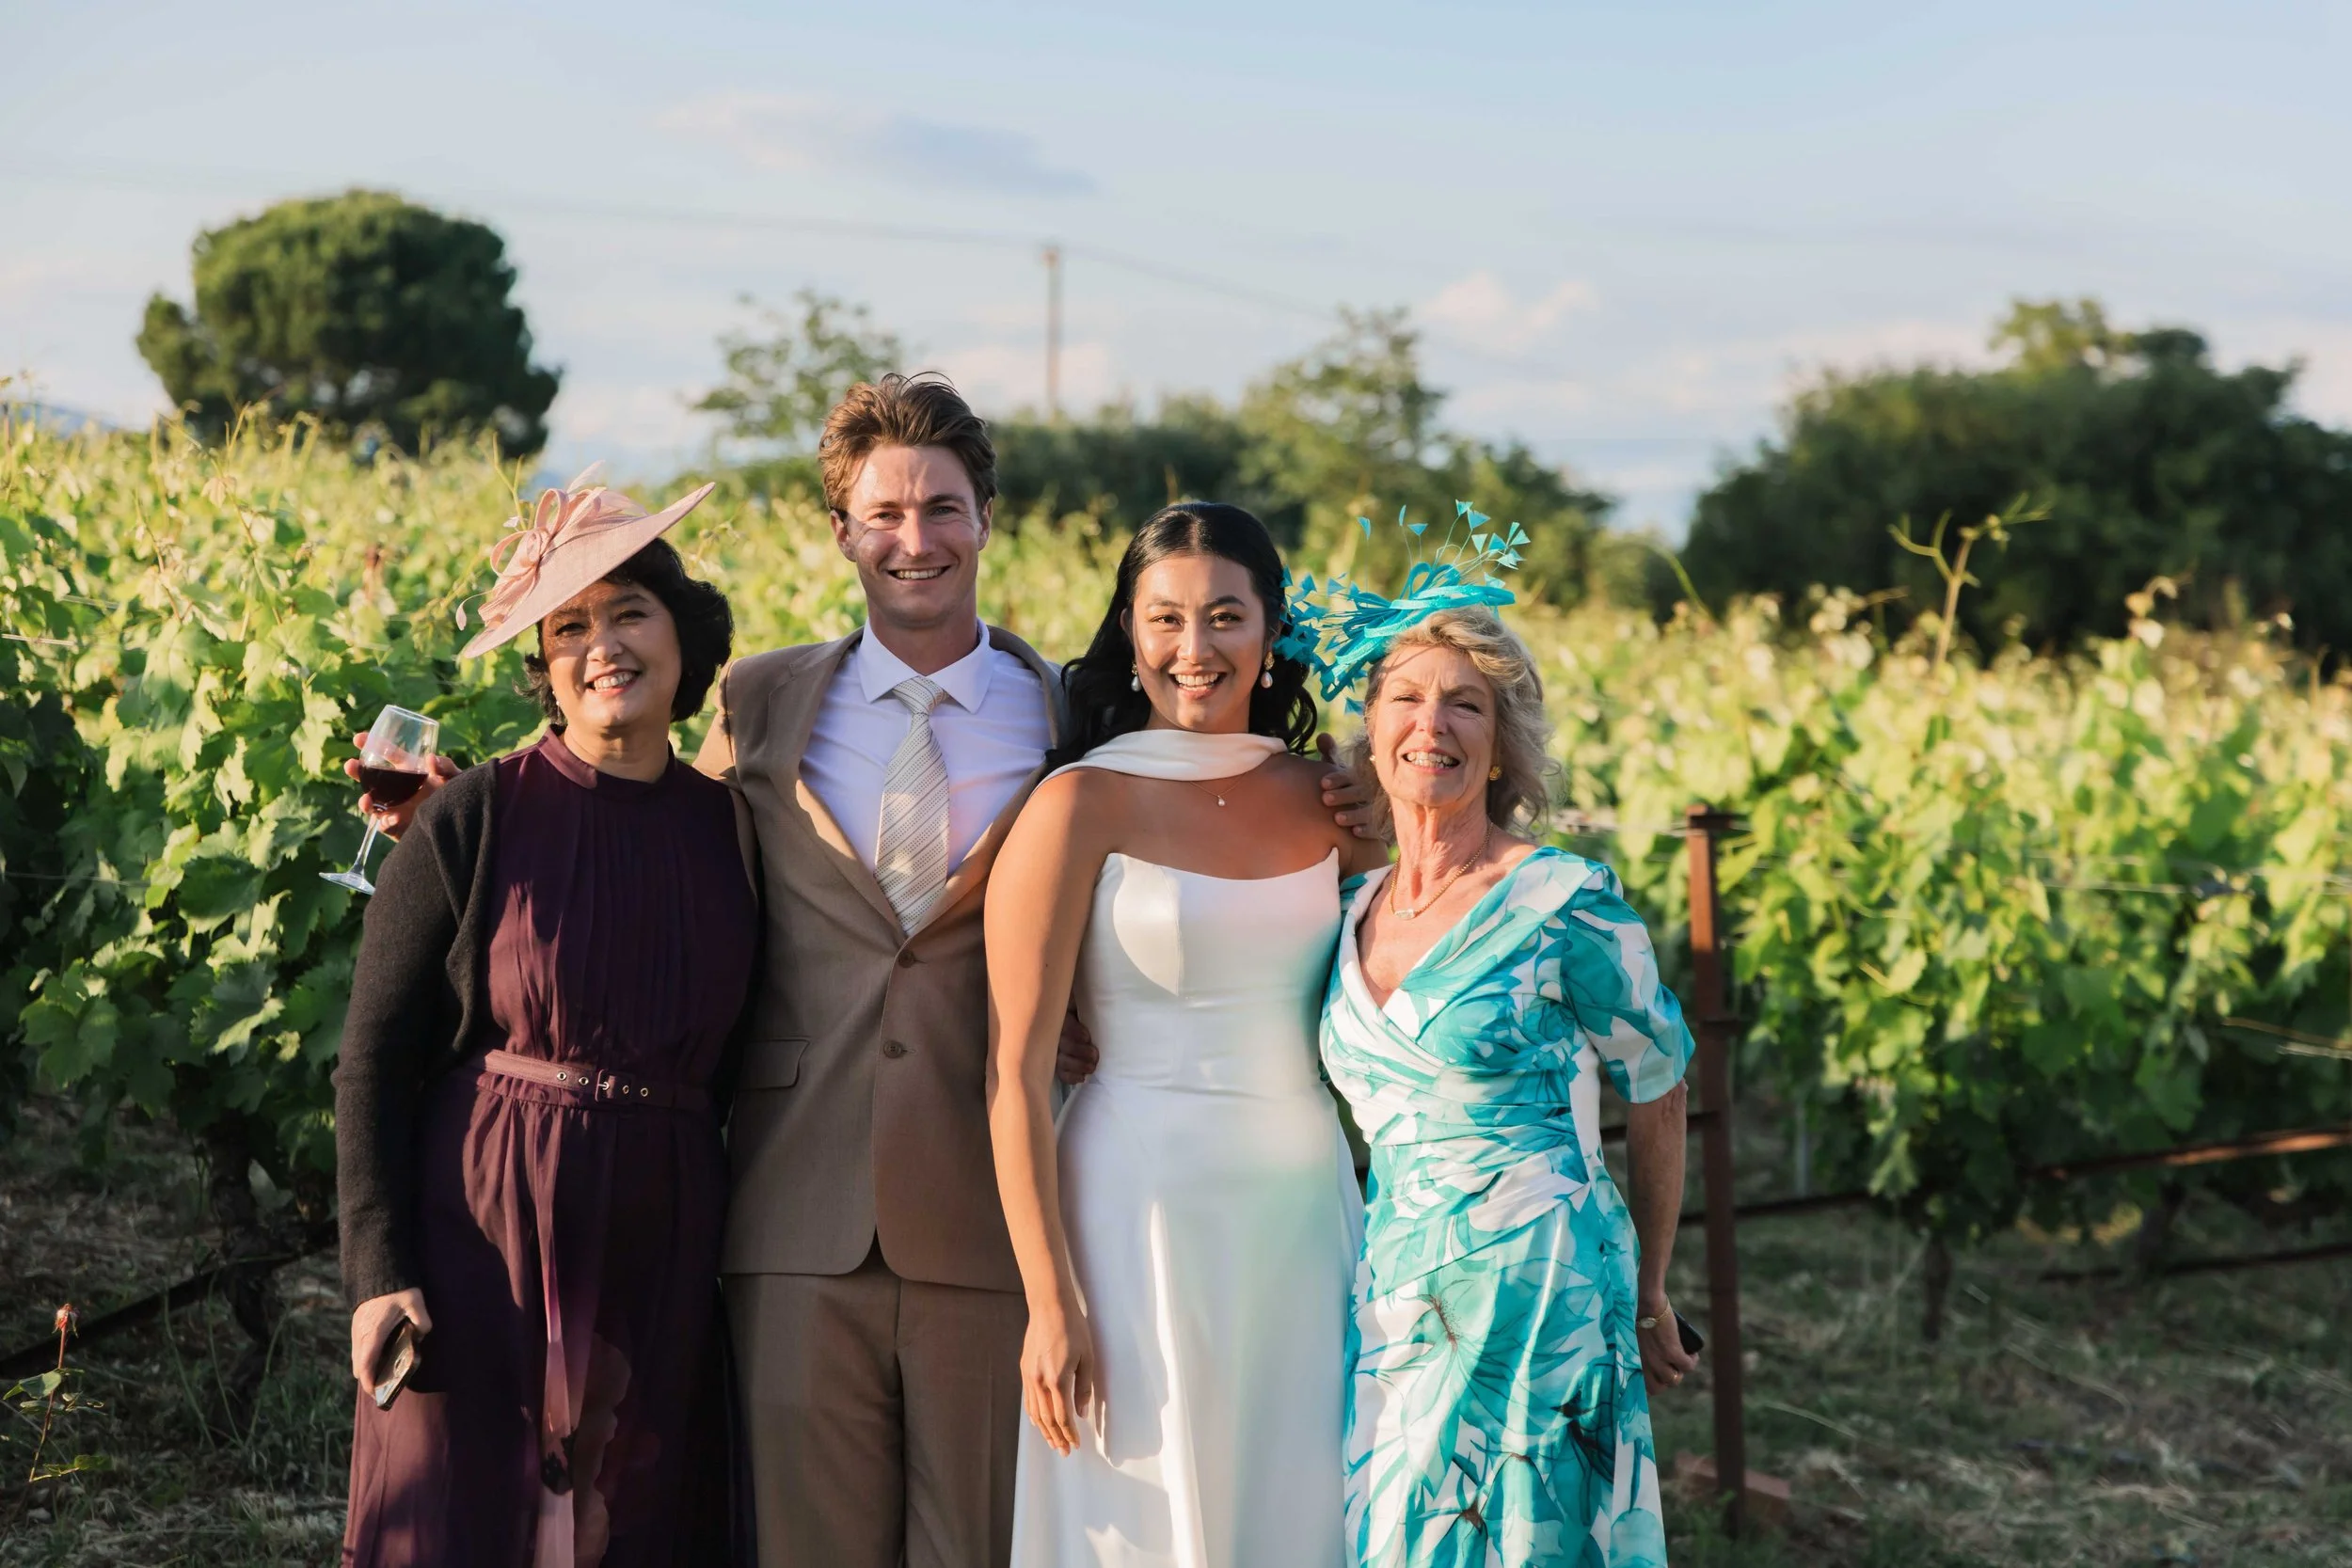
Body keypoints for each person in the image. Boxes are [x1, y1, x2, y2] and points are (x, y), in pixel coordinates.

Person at [336, 470, 753, 1567]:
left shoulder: (738, 835)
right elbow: (372, 1056)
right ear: (546, 667)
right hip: (483, 1230)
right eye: (570, 625)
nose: (602, 644)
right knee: (465, 1516)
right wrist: (379, 1266)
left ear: (682, 637)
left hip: (661, 1242)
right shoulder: (473, 814)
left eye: (629, 611)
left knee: (633, 1524)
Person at [985, 501, 1391, 1568]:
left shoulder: (1334, 806)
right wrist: (1049, 1295)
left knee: (1299, 1504)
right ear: (1128, 629)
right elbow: (1017, 1074)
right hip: (1131, 1214)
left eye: (1223, 616)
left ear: (1270, 632)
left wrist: (1393, 818)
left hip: (1301, 1211)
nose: (1193, 649)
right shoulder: (1078, 803)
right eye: (1163, 619)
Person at [1316, 603, 1699, 1568]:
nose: (1430, 723)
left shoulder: (1562, 900)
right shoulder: (1347, 904)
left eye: (1465, 705)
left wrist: (1650, 1283)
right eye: (1404, 697)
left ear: (1500, 746)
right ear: (1372, 730)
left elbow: (1657, 1083)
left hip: (1541, 1289)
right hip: (1395, 1288)